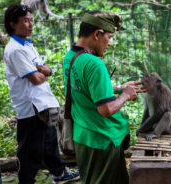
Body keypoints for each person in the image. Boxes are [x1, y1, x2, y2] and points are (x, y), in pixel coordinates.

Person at [62, 11, 145, 183]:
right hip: (102, 139)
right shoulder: (94, 64)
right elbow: (106, 109)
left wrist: (118, 87)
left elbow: (84, 90)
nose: (110, 43)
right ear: (97, 34)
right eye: (109, 36)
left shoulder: (70, 57)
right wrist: (125, 96)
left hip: (82, 137)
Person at [3, 4, 79, 184]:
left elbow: (45, 70)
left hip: (42, 103)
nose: (30, 25)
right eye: (25, 21)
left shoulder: (28, 45)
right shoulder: (15, 49)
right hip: (30, 106)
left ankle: (60, 173)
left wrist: (44, 72)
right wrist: (43, 72)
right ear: (13, 24)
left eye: (31, 20)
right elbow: (36, 78)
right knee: (30, 150)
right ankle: (26, 180)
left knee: (49, 141)